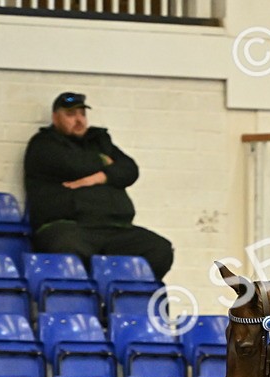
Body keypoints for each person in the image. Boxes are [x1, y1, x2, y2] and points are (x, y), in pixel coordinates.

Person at [23, 92, 173, 281]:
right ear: (55, 118)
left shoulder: (99, 141)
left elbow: (130, 169)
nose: (79, 120)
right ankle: (88, 299)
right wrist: (107, 164)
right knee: (67, 247)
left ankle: (119, 297)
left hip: (114, 229)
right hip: (69, 227)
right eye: (70, 115)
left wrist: (98, 177)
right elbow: (74, 165)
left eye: (82, 114)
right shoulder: (43, 144)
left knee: (159, 249)